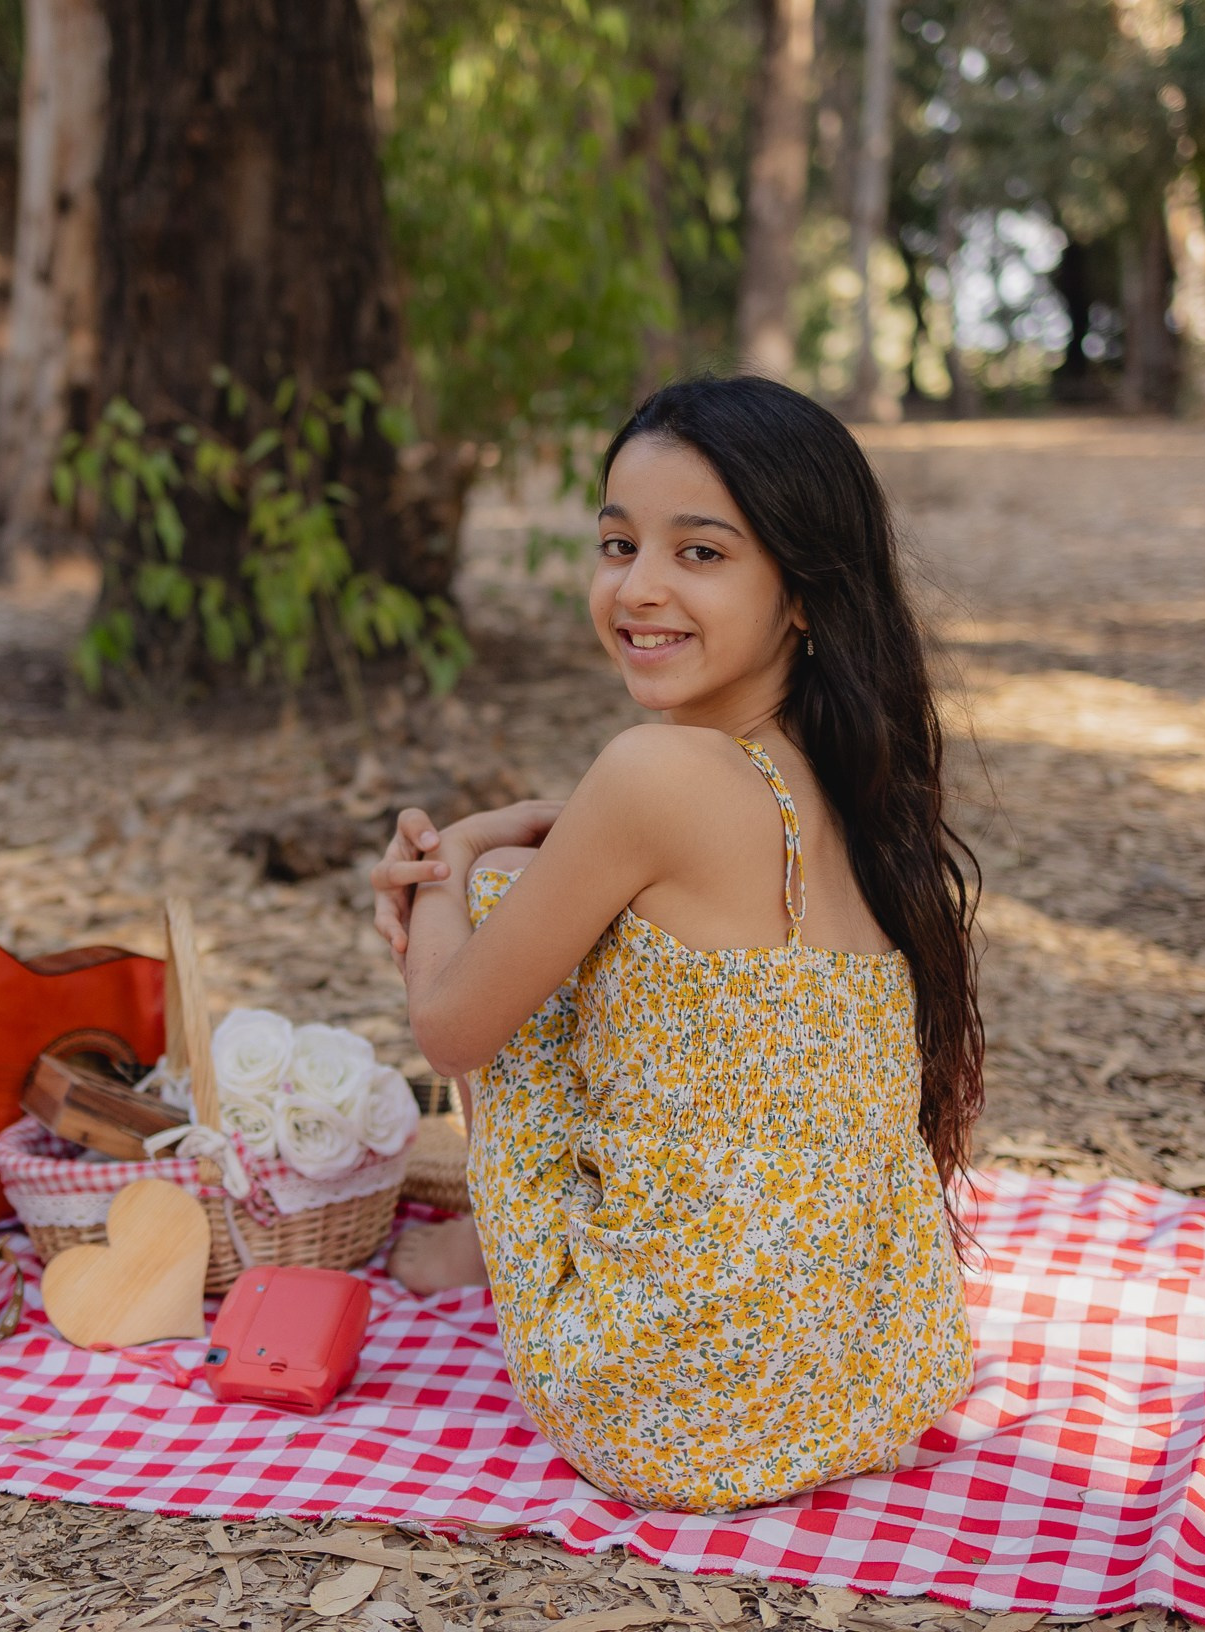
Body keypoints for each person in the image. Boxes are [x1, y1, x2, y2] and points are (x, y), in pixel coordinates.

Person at [367, 375, 981, 1514]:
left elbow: (449, 1021)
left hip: (668, 1406)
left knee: (501, 908)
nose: (637, 588)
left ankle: (491, 1251)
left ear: (802, 592)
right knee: (545, 902)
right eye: (617, 543)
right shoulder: (853, 787)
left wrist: (444, 866)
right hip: (874, 1376)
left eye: (700, 554)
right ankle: (487, 1246)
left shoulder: (652, 774)